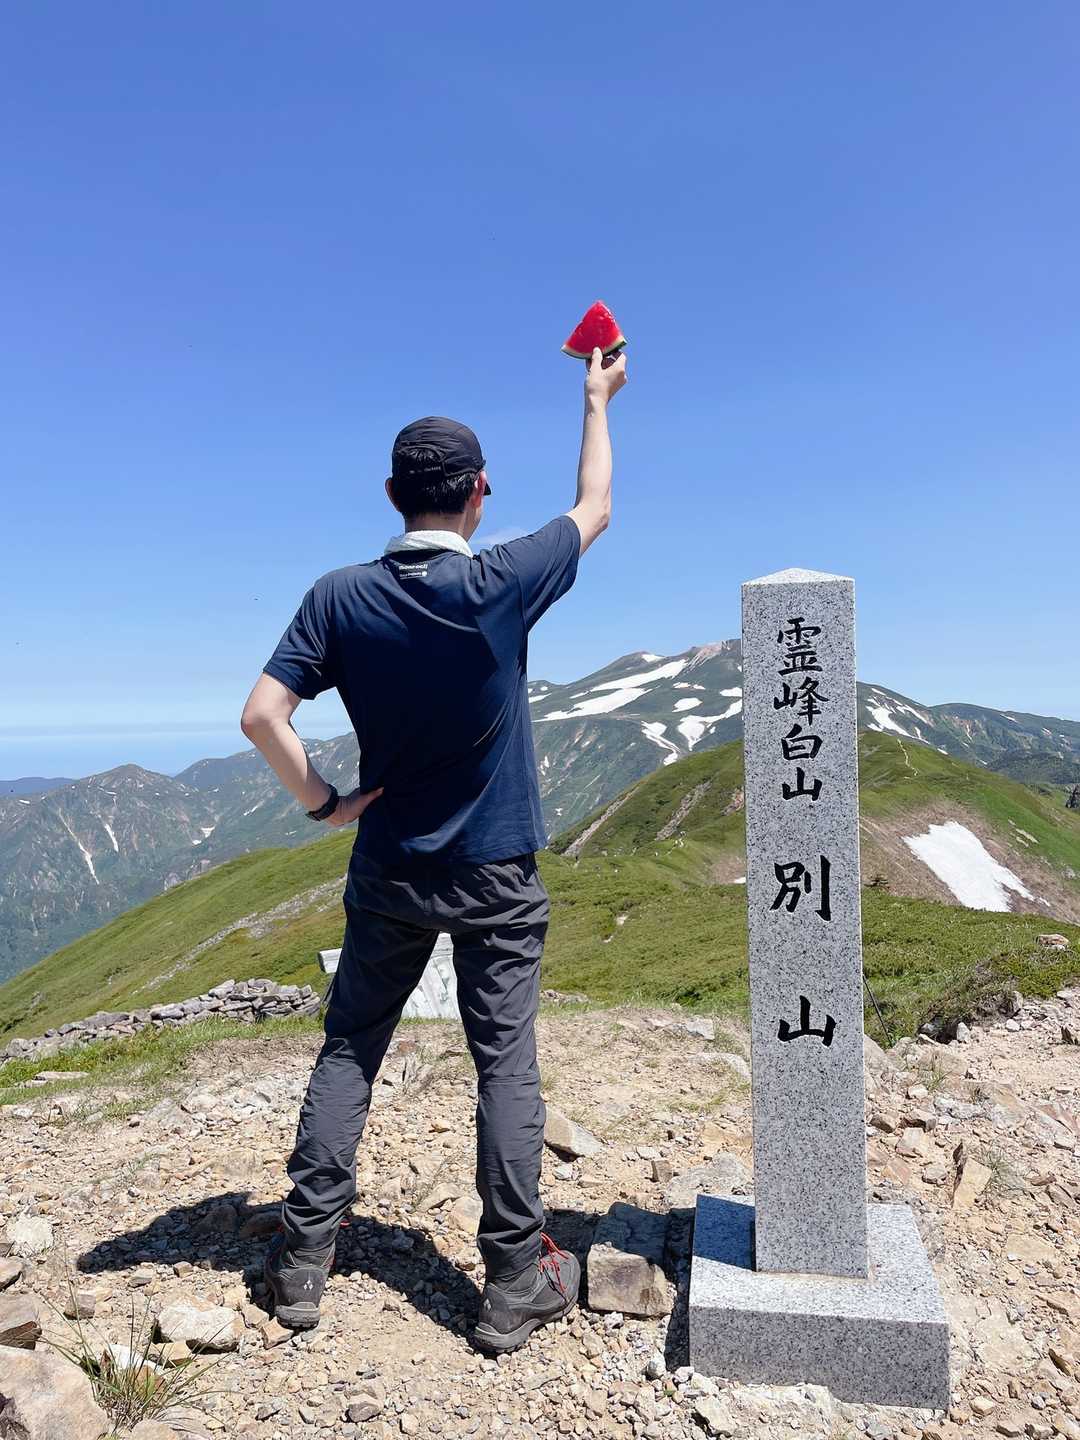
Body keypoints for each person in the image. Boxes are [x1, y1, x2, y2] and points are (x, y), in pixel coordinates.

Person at [240, 345, 627, 1353]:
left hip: (390, 867)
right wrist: (596, 398)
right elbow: (594, 506)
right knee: (505, 1063)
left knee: (352, 1046)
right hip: (497, 871)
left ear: (391, 495)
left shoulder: (339, 596)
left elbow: (262, 716)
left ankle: (301, 1262)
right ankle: (513, 1280)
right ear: (479, 493)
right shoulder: (504, 580)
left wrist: (327, 804)